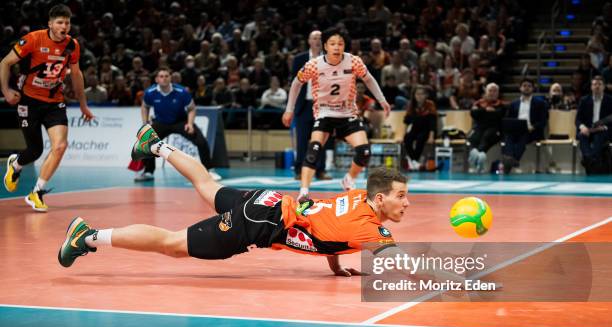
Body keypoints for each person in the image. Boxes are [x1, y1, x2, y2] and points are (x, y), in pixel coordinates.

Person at [58, 124, 408, 277]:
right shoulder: (370, 230)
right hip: (260, 223)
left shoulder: (358, 198)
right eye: (402, 197)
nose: (406, 204)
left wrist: (334, 265)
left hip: (268, 201)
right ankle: (88, 236)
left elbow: (331, 228)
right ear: (380, 199)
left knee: (207, 184)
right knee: (172, 244)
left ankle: (154, 144)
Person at [1, 4, 94, 211]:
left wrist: (83, 104)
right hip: (29, 101)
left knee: (60, 146)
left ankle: (37, 192)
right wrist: (6, 91)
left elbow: (77, 75)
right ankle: (15, 164)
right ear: (50, 24)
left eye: (67, 23)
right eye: (60, 22)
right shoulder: (33, 40)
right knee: (35, 151)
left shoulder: (72, 45)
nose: (64, 26)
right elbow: (5, 63)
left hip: (54, 102)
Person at [283, 28, 391, 201]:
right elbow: (296, 84)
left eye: (340, 44)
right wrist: (289, 109)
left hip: (347, 113)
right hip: (324, 113)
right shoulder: (314, 64)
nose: (336, 47)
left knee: (364, 152)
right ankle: (303, 192)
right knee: (313, 150)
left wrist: (382, 100)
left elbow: (369, 79)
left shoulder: (353, 61)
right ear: (325, 46)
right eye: (332, 44)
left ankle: (349, 179)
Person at [137, 68, 220, 182]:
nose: (164, 78)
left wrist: (190, 124)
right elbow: (145, 106)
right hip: (161, 122)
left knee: (201, 141)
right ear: (157, 79)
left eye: (166, 76)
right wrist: (145, 122)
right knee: (147, 141)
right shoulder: (150, 93)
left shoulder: (181, 91)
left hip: (180, 121)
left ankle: (210, 170)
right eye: (161, 76)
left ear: (170, 78)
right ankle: (148, 172)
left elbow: (191, 108)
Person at [291, 30, 332, 181]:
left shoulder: (330, 59)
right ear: (309, 41)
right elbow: (294, 84)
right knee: (302, 140)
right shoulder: (299, 59)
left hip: (322, 106)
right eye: (314, 38)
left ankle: (320, 170)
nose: (317, 40)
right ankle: (299, 170)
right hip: (303, 105)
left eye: (320, 38)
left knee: (320, 139)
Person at [502, 78, 548, 174]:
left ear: (533, 88)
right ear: (520, 88)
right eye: (524, 86)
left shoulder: (540, 103)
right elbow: (508, 118)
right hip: (515, 130)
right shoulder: (514, 103)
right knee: (508, 136)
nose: (526, 88)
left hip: (532, 131)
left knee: (524, 134)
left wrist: (533, 127)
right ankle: (512, 159)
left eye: (529, 86)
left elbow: (543, 121)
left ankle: (510, 160)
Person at [576, 76, 612, 174]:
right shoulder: (584, 100)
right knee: (581, 135)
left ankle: (588, 160)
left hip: (604, 130)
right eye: (594, 84)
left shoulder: (610, 100)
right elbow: (578, 119)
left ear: (604, 87)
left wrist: (604, 127)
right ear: (591, 87)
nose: (597, 86)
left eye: (599, 84)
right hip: (588, 129)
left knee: (599, 136)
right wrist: (582, 127)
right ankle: (591, 159)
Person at [468, 83, 505, 173]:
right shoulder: (479, 103)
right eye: (490, 91)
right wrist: (485, 110)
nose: (492, 93)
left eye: (495, 91)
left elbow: (499, 115)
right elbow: (473, 114)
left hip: (495, 130)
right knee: (473, 137)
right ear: (486, 92)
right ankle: (480, 158)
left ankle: (477, 156)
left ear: (498, 93)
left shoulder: (502, 104)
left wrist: (483, 113)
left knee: (487, 136)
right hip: (479, 128)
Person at [403, 85, 438, 171]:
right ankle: (415, 162)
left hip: (427, 130)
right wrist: (403, 134)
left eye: (422, 94)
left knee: (420, 139)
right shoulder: (411, 105)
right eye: (417, 94)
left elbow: (432, 122)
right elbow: (407, 122)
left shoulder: (430, 104)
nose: (419, 96)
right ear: (414, 95)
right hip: (415, 129)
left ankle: (413, 161)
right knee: (407, 138)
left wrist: (431, 137)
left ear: (426, 95)